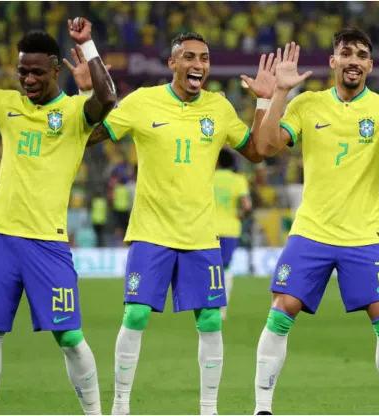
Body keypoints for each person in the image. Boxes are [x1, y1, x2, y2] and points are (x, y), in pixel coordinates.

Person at [0, 2, 117, 414]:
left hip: (47, 242)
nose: (28, 79)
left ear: (56, 70)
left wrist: (87, 46)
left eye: (36, 72)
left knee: (69, 337)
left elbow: (107, 97)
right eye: (22, 72)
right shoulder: (4, 104)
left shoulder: (74, 114)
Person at [82, 32, 272, 415]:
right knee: (135, 314)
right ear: (172, 63)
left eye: (204, 57)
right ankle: (120, 405)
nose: (198, 64)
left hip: (201, 234)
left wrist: (264, 101)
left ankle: (208, 409)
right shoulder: (142, 102)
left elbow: (255, 151)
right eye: (189, 57)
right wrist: (84, 102)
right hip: (151, 231)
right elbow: (90, 135)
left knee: (210, 322)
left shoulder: (218, 108)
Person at [251, 29, 379, 415]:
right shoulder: (307, 104)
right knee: (281, 309)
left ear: (370, 65)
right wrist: (281, 92)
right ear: (333, 61)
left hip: (364, 234)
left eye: (362, 54)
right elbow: (265, 146)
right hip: (311, 231)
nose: (354, 59)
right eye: (346, 53)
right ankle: (262, 408)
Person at [213, 148, 252, 320]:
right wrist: (240, 216)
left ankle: (208, 304)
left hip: (208, 228)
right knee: (226, 267)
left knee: (209, 268)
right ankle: (222, 308)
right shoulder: (239, 180)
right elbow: (247, 205)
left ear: (218, 161)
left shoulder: (208, 177)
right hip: (230, 229)